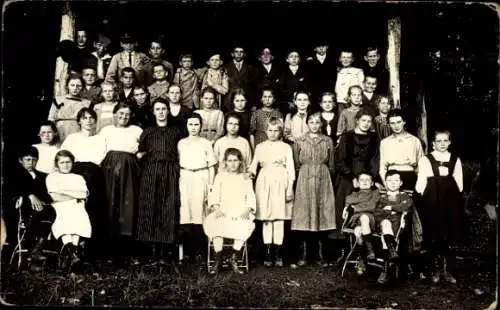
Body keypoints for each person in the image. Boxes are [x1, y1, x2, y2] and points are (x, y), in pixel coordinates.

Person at [135, 98, 184, 265]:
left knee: (167, 209)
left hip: (170, 172)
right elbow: (140, 154)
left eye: (164, 109)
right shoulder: (147, 132)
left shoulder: (176, 132)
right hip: (151, 172)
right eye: (158, 109)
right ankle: (151, 252)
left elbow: (180, 153)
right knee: (150, 208)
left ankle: (165, 253)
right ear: (154, 112)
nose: (161, 112)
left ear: (168, 111)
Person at [60, 108, 108, 263]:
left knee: (94, 210)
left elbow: (103, 158)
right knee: (77, 209)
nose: (89, 120)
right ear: (79, 121)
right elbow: (64, 158)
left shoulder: (100, 139)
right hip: (76, 173)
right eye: (85, 118)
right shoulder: (72, 139)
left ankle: (91, 252)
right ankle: (72, 250)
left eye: (92, 118)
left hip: (95, 175)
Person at [415, 129, 464, 284]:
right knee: (434, 233)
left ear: (449, 142)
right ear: (433, 143)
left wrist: (454, 198)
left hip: (450, 200)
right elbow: (421, 182)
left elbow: (459, 182)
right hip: (432, 200)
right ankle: (435, 269)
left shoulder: (455, 159)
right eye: (439, 141)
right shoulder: (426, 159)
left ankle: (447, 270)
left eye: (445, 141)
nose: (442, 144)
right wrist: (425, 199)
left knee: (448, 234)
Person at [333, 109, 380, 259]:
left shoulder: (373, 137)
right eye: (363, 120)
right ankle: (344, 251)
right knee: (344, 210)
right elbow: (339, 160)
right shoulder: (347, 136)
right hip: (347, 177)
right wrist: (352, 176)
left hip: (366, 178)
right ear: (357, 121)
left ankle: (364, 248)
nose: (366, 124)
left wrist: (370, 178)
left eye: (368, 121)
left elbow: (374, 159)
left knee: (366, 207)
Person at [99, 103, 143, 265]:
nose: (124, 117)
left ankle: (130, 252)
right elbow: (100, 150)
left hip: (130, 169)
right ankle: (110, 253)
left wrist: (138, 156)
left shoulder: (137, 131)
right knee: (111, 207)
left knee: (129, 207)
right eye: (121, 114)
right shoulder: (106, 130)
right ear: (115, 114)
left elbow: (143, 149)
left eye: (127, 114)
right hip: (110, 169)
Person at [291, 112, 336, 268]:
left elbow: (332, 164)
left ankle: (320, 255)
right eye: (311, 122)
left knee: (322, 214)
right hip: (305, 177)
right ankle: (303, 255)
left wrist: (324, 174)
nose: (314, 125)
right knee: (303, 214)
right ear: (307, 123)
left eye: (318, 122)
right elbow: (296, 164)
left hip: (323, 178)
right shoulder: (299, 141)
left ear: (321, 124)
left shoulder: (327, 141)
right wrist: (304, 175)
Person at [248, 117, 295, 267]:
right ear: (265, 131)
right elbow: (254, 166)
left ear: (280, 131)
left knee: (279, 218)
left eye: (276, 131)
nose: (273, 133)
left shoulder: (285, 147)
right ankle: (268, 253)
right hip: (264, 182)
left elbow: (291, 169)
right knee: (267, 219)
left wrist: (289, 188)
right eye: (270, 130)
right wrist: (249, 174)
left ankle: (278, 254)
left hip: (281, 181)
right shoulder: (260, 147)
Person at [203, 148, 256, 274]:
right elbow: (214, 195)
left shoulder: (245, 178)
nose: (233, 164)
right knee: (216, 225)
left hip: (240, 210)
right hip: (223, 209)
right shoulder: (220, 177)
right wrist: (217, 208)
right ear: (225, 162)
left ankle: (234, 258)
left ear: (240, 162)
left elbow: (250, 196)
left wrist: (247, 210)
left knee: (243, 225)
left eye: (235, 160)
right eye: (230, 160)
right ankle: (217, 260)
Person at [177, 113, 217, 263]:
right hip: (186, 176)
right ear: (186, 126)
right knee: (185, 213)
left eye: (196, 124)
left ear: (201, 126)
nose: (193, 128)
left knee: (200, 213)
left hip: (201, 176)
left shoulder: (206, 143)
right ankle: (187, 253)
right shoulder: (181, 143)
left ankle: (201, 252)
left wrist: (210, 187)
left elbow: (212, 167)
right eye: (191, 124)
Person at [3, 146, 54, 261]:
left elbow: (46, 194)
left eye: (34, 160)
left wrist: (42, 200)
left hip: (40, 208)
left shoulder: (43, 176)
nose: (31, 163)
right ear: (20, 160)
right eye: (28, 159)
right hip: (21, 207)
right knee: (42, 211)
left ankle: (37, 247)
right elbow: (10, 191)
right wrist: (29, 195)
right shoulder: (13, 175)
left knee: (49, 210)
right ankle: (31, 243)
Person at [46, 150, 91, 270]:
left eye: (68, 162)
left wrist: (64, 192)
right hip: (59, 205)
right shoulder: (52, 177)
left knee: (78, 214)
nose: (66, 165)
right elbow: (54, 196)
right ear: (57, 164)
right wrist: (74, 195)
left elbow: (84, 194)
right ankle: (74, 255)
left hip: (77, 205)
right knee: (65, 213)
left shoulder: (78, 178)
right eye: (62, 162)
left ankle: (71, 254)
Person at [374, 170, 414, 284]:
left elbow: (406, 206)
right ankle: (391, 254)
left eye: (396, 180)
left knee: (387, 232)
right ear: (385, 182)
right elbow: (377, 213)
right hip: (384, 226)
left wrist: (391, 208)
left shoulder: (404, 196)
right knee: (386, 224)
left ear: (401, 183)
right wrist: (394, 210)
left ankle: (386, 269)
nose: (393, 183)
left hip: (399, 227)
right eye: (389, 180)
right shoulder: (382, 198)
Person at [344, 171, 380, 275]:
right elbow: (348, 201)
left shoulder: (375, 193)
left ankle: (367, 253)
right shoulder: (353, 194)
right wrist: (353, 206)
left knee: (364, 218)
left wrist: (355, 207)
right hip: (356, 220)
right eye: (362, 180)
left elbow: (372, 206)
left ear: (372, 183)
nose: (364, 182)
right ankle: (365, 255)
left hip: (370, 219)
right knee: (358, 231)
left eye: (367, 180)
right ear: (357, 183)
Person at [379, 109, 424, 190]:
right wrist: (386, 184)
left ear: (404, 122)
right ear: (389, 125)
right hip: (392, 178)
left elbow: (421, 166)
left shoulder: (415, 140)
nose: (396, 126)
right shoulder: (384, 142)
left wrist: (420, 184)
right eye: (392, 123)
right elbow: (382, 168)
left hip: (410, 176)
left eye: (399, 122)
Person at [47, 75, 91, 142]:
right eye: (72, 85)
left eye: (78, 86)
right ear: (67, 86)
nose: (75, 88)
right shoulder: (58, 100)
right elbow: (51, 119)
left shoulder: (87, 103)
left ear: (82, 87)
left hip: (78, 131)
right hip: (60, 131)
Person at [277, 49, 309, 117]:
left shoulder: (304, 72)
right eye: (291, 56)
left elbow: (307, 87)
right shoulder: (283, 72)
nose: (294, 58)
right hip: (287, 102)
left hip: (301, 102)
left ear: (299, 59)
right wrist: (289, 101)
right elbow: (280, 88)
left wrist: (298, 99)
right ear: (287, 59)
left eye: (296, 56)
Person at [223, 45, 254, 111]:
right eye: (236, 52)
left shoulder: (250, 67)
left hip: (246, 101)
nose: (239, 54)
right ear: (232, 54)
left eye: (241, 52)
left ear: (244, 54)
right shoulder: (225, 67)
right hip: (229, 101)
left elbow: (252, 87)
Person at [335, 49, 364, 114]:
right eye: (344, 57)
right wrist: (343, 97)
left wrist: (353, 98)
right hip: (341, 102)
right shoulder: (338, 72)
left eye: (348, 57)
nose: (346, 60)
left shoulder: (358, 71)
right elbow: (337, 88)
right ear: (340, 59)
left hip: (355, 102)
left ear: (352, 59)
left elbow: (362, 88)